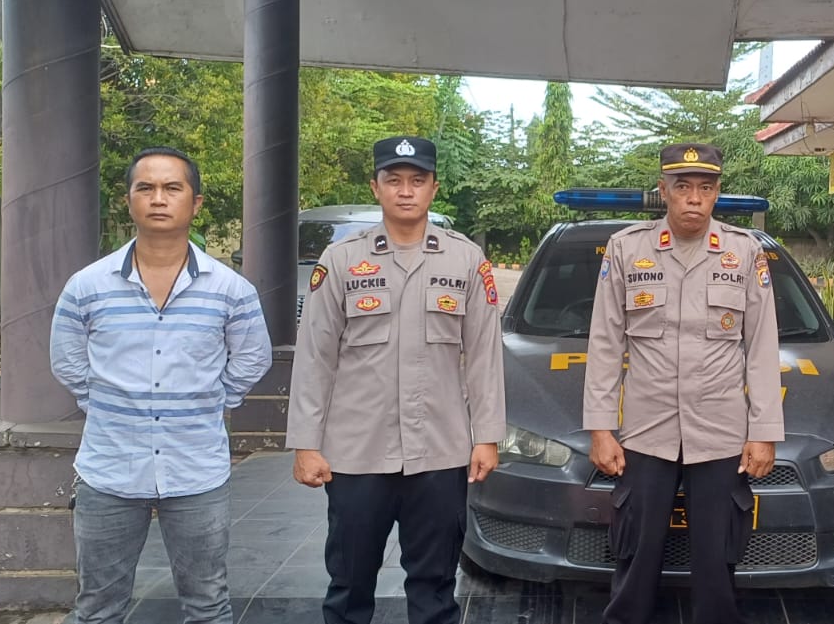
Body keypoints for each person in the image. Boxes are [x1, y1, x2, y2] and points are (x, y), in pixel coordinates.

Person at [50, 147, 274, 624]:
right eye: (145, 188)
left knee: (208, 604)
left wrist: (216, 398)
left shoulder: (230, 290)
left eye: (172, 188)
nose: (158, 198)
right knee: (96, 607)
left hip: (196, 471)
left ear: (195, 203)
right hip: (110, 469)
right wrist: (104, 402)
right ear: (127, 200)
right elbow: (67, 361)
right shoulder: (87, 287)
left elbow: (254, 356)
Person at [286, 135, 504, 624]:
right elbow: (315, 357)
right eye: (394, 180)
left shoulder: (466, 260)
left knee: (435, 590)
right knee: (349, 587)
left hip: (440, 453)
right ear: (376, 187)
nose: (406, 191)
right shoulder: (341, 259)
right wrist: (305, 444)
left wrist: (487, 436)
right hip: (357, 453)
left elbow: (485, 356)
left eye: (417, 180)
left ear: (434, 188)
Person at [583, 143, 784, 624]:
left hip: (720, 432)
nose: (694, 198)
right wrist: (601, 428)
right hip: (646, 431)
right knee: (635, 553)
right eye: (682, 187)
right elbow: (605, 342)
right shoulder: (627, 249)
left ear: (717, 193)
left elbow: (761, 346)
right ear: (664, 190)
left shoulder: (744, 251)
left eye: (705, 187)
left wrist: (763, 431)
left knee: (717, 560)